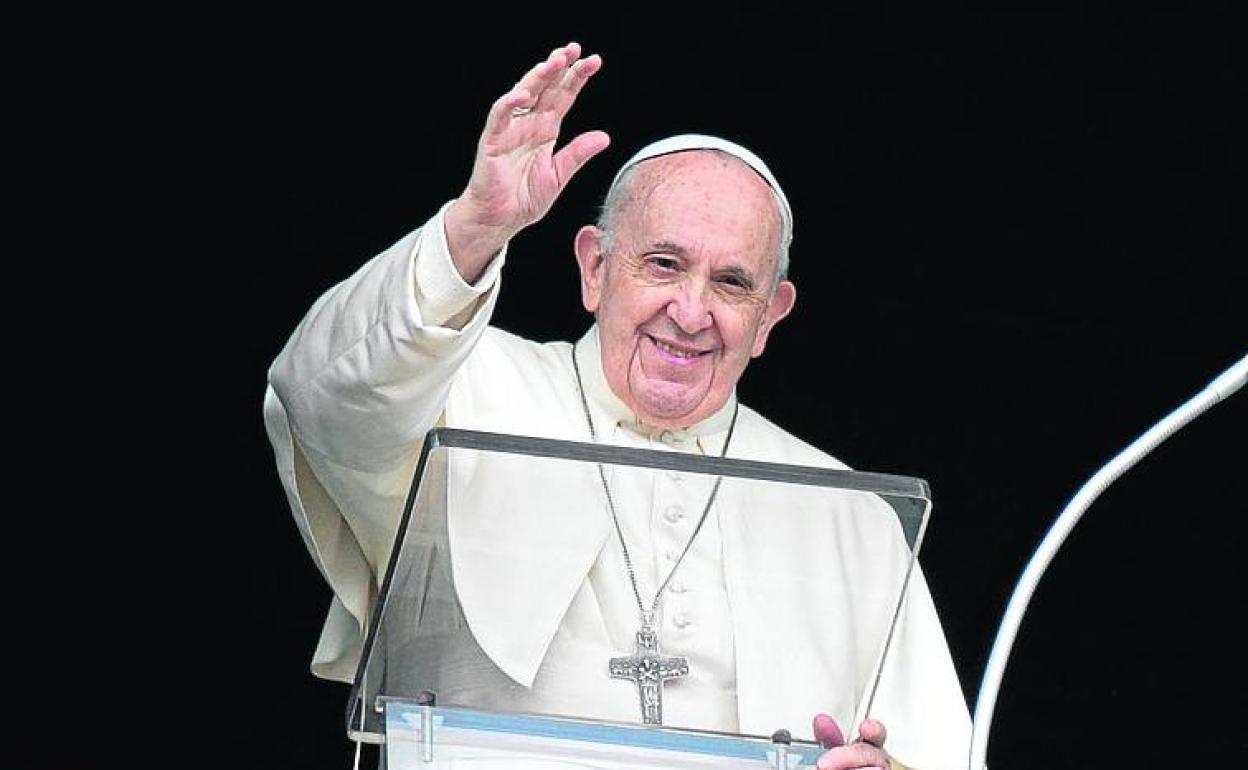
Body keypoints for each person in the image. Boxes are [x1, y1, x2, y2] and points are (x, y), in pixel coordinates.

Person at [265, 42, 971, 770]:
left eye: (732, 283)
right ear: (595, 268)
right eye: (663, 264)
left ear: (769, 318)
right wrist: (473, 228)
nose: (691, 311)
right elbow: (322, 392)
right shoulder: (462, 388)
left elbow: (939, 754)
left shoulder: (849, 517)